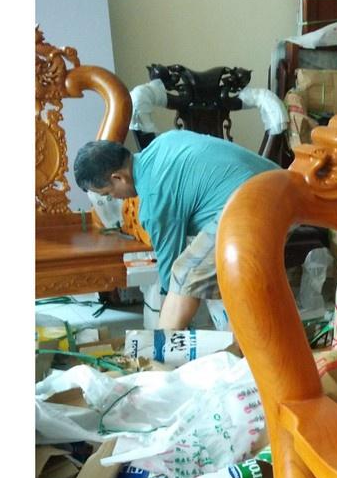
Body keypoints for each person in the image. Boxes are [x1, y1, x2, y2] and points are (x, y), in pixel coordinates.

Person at [73, 130, 277, 329]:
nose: (115, 198)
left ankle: (163, 347)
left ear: (118, 178)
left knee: (184, 273)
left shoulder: (153, 204)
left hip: (256, 208)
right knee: (201, 261)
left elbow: (170, 271)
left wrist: (165, 309)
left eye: (108, 193)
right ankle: (238, 335)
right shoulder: (164, 141)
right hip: (281, 184)